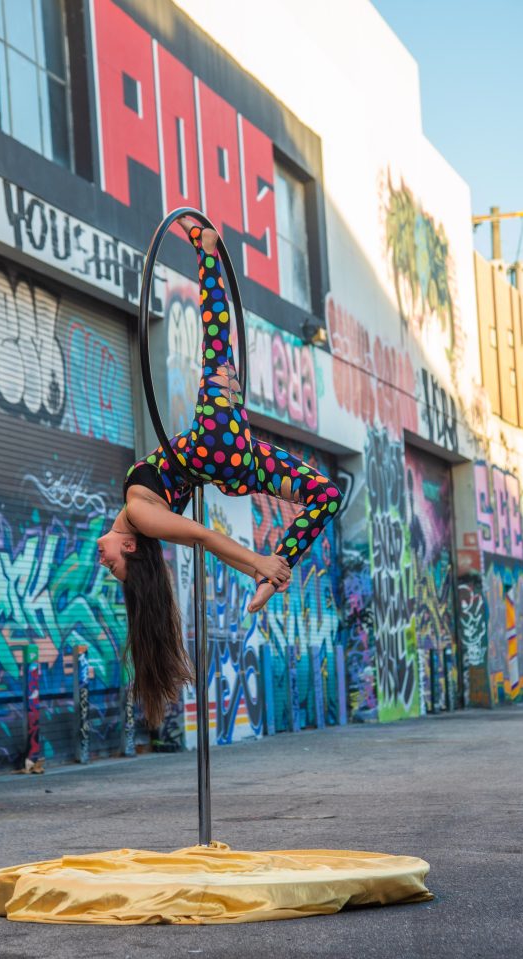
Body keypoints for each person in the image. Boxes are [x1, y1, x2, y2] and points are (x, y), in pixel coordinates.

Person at [98, 217, 343, 726]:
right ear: (128, 549)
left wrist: (263, 565)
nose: (105, 564)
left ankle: (278, 572)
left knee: (325, 494)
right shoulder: (140, 516)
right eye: (115, 568)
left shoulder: (142, 517)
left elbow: (194, 531)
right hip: (216, 444)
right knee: (216, 341)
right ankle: (207, 249)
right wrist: (253, 561)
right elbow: (202, 535)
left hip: (230, 457)